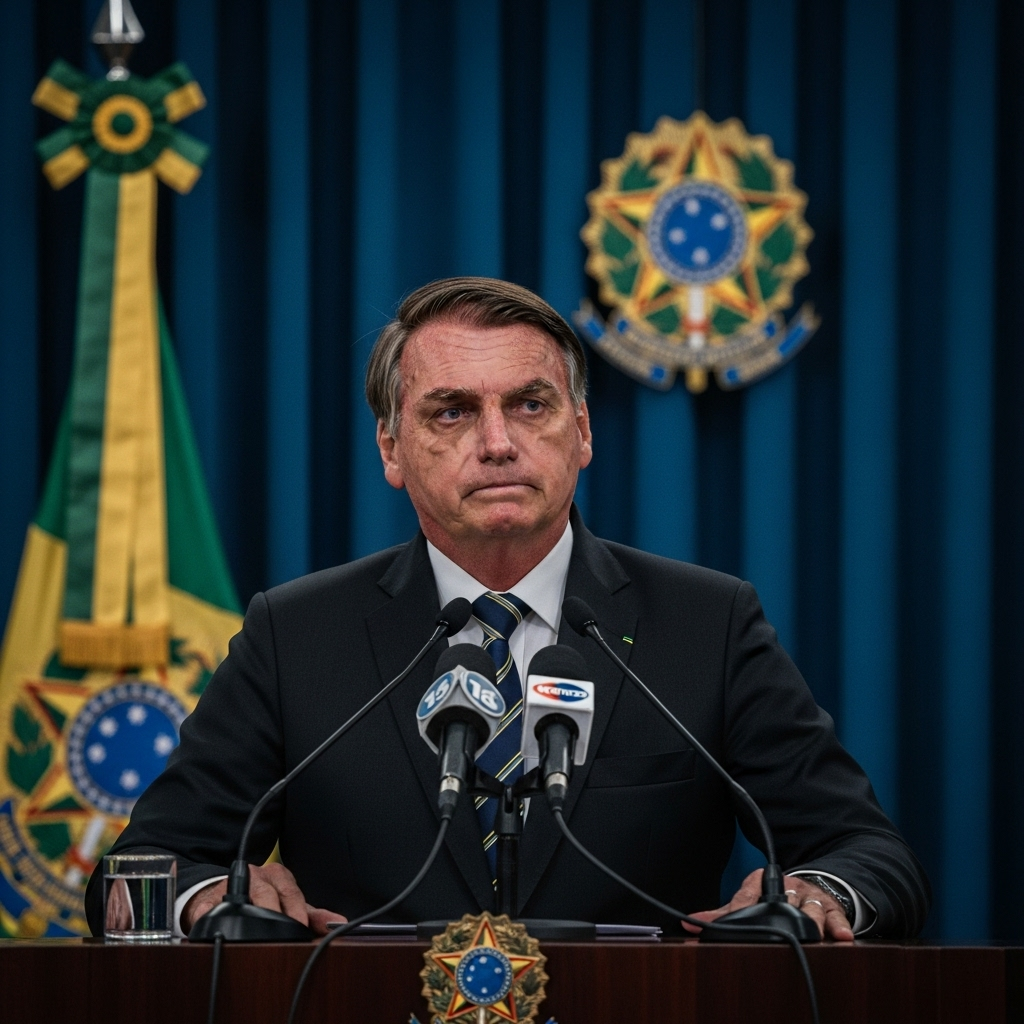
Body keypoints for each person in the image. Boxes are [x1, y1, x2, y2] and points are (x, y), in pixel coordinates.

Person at [85, 277, 930, 940]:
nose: (497, 443)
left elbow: (871, 855)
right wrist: (210, 896)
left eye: (530, 405)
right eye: (452, 412)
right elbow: (136, 872)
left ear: (582, 431)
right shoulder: (297, 635)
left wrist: (819, 893)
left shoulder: (707, 625)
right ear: (391, 448)